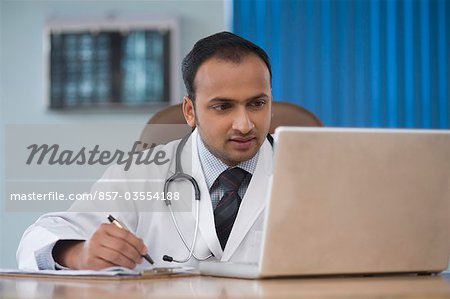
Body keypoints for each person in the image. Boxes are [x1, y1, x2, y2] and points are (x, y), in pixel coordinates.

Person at [17, 31, 274, 270]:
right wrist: (77, 253)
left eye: (257, 103)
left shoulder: (310, 171)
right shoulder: (141, 173)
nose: (244, 125)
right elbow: (37, 240)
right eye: (223, 107)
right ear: (190, 111)